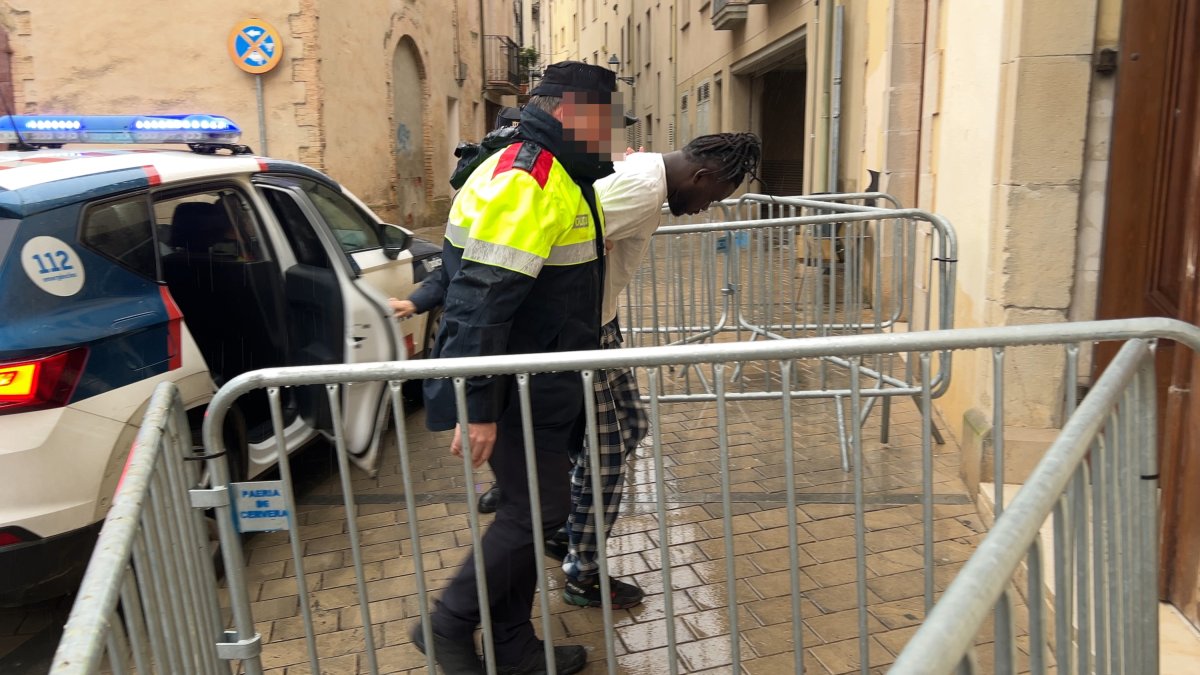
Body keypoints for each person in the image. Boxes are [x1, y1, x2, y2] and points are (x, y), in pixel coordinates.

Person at [410, 61, 623, 675]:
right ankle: (447, 623)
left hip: (540, 383)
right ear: (570, 113)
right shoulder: (530, 178)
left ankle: (513, 646)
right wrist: (477, 407)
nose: (612, 134)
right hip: (516, 388)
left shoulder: (559, 171)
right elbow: (480, 299)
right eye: (605, 120)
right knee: (538, 515)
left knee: (528, 514)